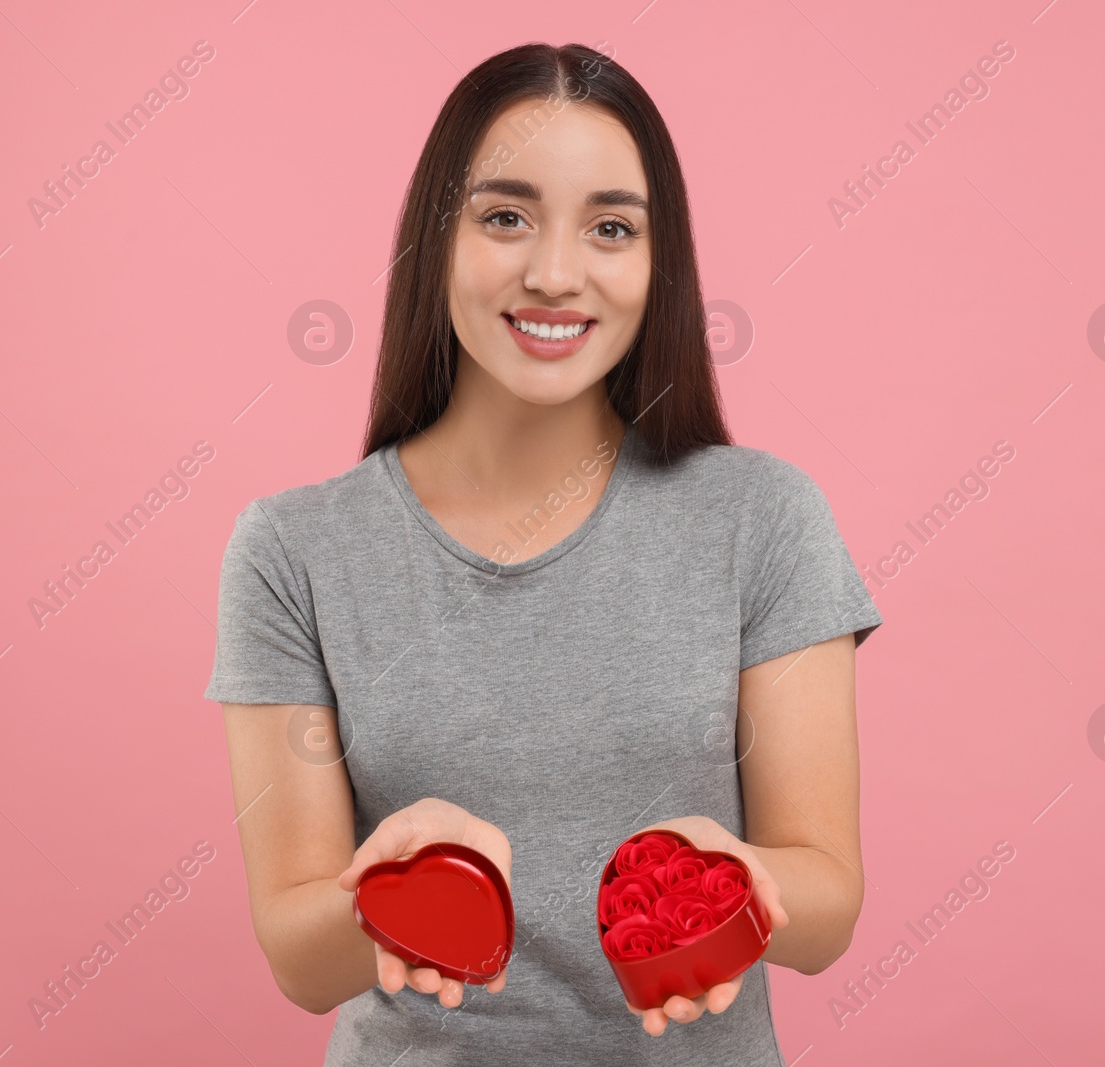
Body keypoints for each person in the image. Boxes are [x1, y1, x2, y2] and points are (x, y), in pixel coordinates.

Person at [205, 41, 882, 1065]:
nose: (555, 273)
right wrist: (393, 892)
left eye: (611, 227)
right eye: (505, 216)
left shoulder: (762, 518)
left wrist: (729, 882)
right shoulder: (294, 550)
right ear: (438, 239)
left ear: (660, 264)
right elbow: (299, 961)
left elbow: (827, 909)